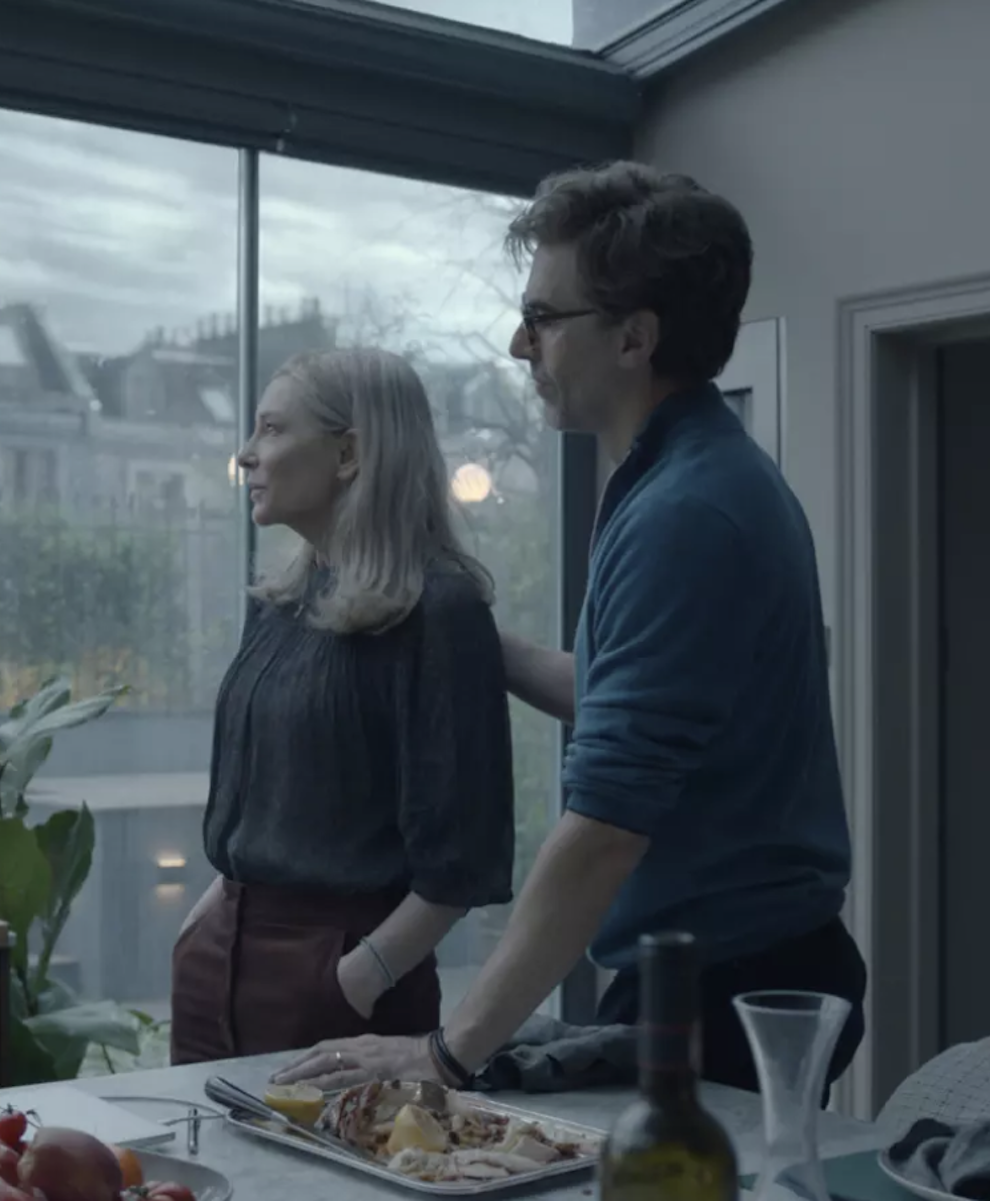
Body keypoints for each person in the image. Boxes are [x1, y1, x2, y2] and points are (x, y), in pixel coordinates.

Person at [276, 162, 865, 1097]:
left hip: (733, 985)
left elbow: (605, 828)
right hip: (716, 965)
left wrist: (446, 1049)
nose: (519, 343)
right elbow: (617, 699)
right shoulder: (682, 479)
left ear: (635, 338)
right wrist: (462, 634)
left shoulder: (689, 513)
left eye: (544, 318)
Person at [170, 346, 517, 1065]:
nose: (244, 454)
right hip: (219, 960)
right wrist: (202, 931)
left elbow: (462, 861)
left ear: (349, 452)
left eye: (271, 430)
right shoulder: (280, 605)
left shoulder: (440, 612)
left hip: (342, 978)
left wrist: (356, 979)